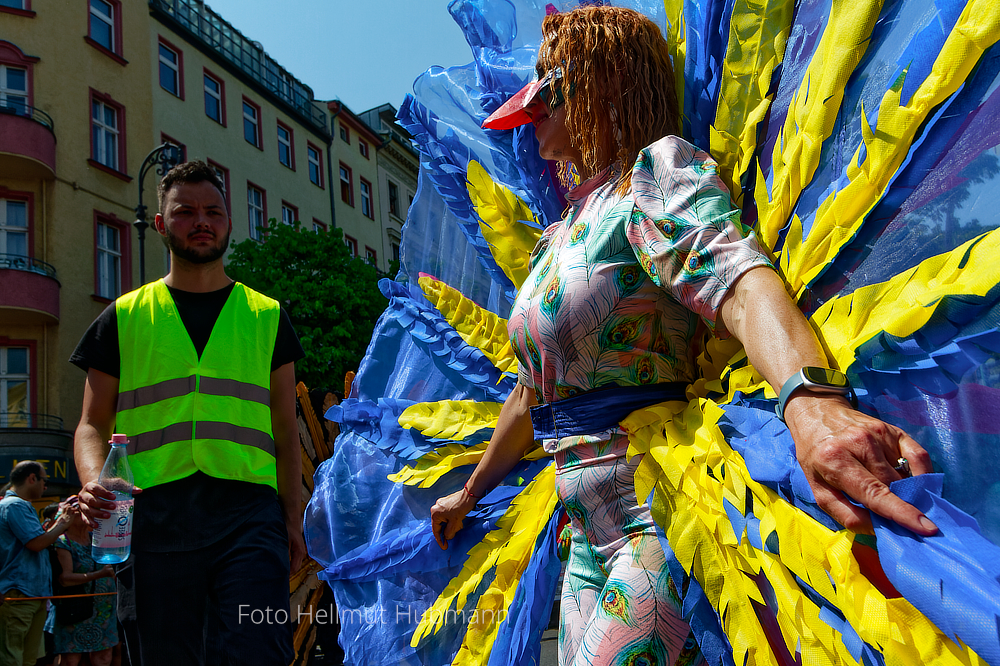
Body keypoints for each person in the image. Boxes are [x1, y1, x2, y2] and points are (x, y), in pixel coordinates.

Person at [429, 7, 937, 665]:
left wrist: (814, 408)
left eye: (549, 87)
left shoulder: (654, 178)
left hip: (659, 505)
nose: (534, 110)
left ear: (601, 83)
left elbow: (741, 283)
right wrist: (470, 491)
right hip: (580, 528)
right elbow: (534, 392)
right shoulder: (556, 236)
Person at [71, 161, 305, 665]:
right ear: (159, 224)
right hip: (151, 518)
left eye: (213, 211)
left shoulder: (268, 317)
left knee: (257, 651)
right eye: (185, 212)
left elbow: (287, 431)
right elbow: (92, 424)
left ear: (228, 223)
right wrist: (94, 480)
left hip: (249, 518)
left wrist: (292, 514)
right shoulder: (122, 318)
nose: (201, 221)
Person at [0, 461, 76, 666]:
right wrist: (63, 524)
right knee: (12, 658)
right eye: (45, 480)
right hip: (19, 594)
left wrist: (58, 522)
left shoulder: (21, 505)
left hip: (32, 594)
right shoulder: (14, 505)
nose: (46, 486)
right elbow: (36, 544)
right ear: (32, 478)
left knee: (27, 659)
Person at [47, 496, 117, 666]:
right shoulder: (62, 541)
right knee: (71, 659)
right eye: (82, 512)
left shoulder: (98, 538)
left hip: (104, 610)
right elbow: (65, 579)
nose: (88, 516)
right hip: (75, 609)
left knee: (104, 657)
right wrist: (99, 574)